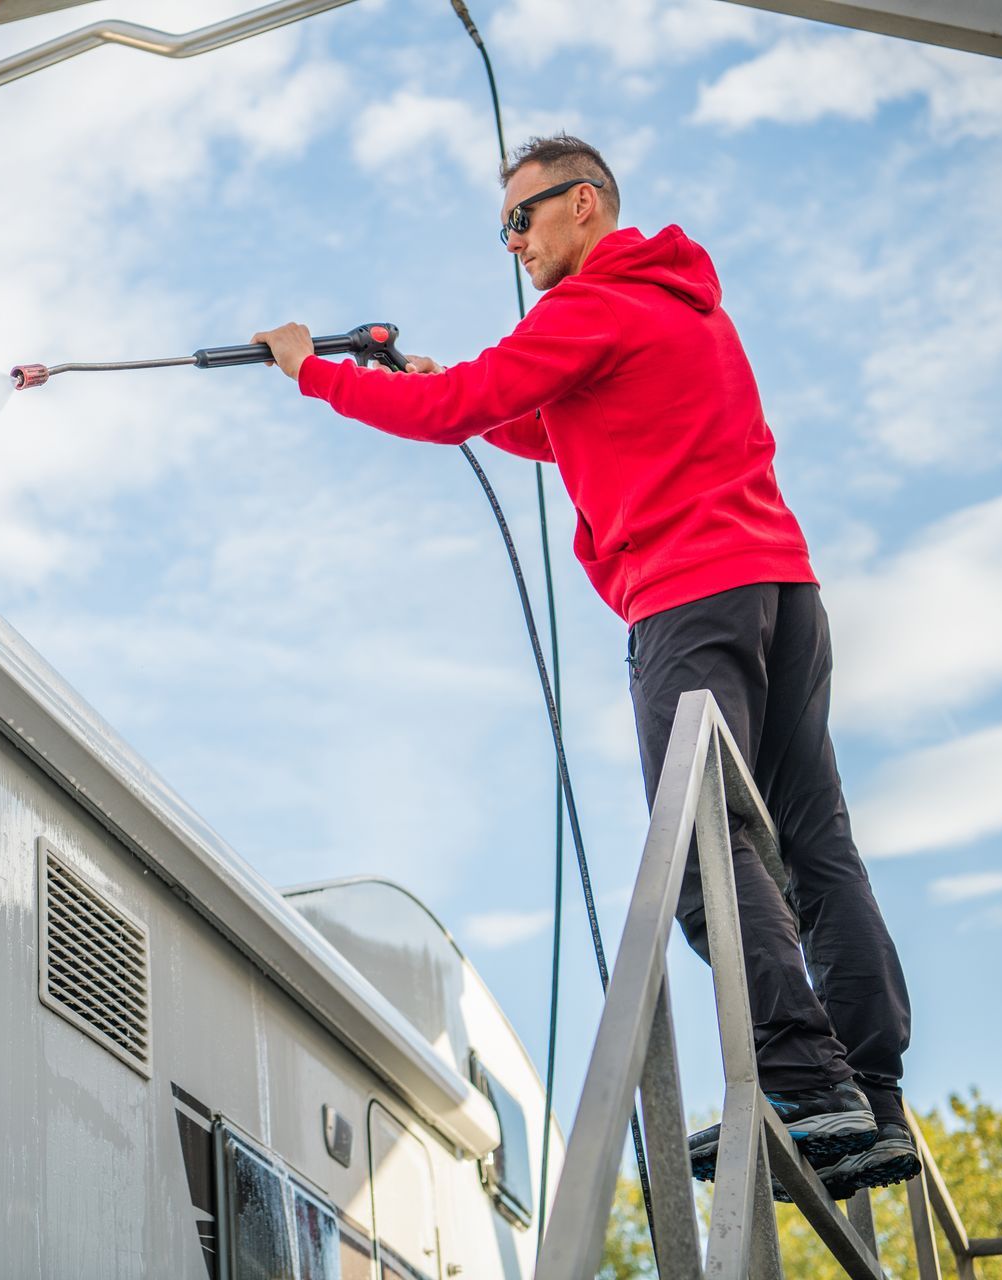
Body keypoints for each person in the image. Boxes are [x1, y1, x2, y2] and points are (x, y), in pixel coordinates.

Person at [253, 134, 916, 1197]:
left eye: (524, 216)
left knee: (708, 850)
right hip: (781, 594)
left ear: (587, 204)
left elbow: (453, 411)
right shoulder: (680, 303)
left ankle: (801, 1079)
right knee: (815, 841)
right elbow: (568, 423)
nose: (512, 240)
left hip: (689, 600)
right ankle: (870, 1095)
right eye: (504, 225)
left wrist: (311, 371)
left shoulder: (587, 305)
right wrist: (472, 384)